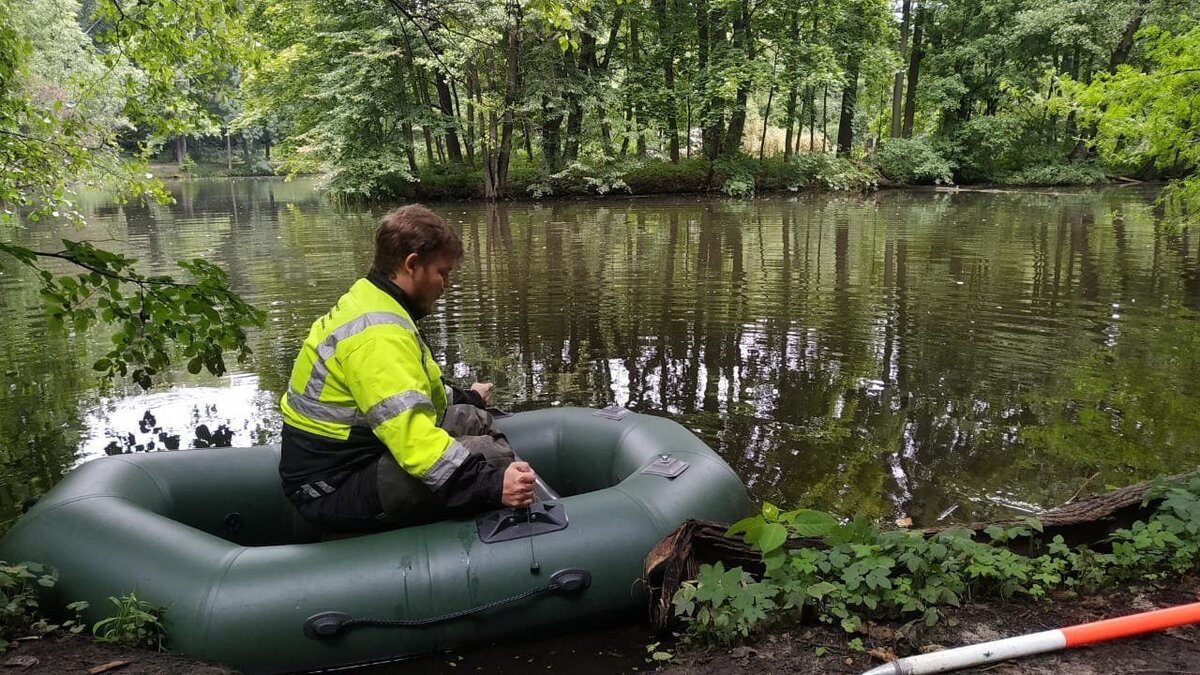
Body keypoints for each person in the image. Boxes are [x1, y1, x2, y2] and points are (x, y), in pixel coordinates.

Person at [278, 204, 536, 534]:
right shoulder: (379, 335)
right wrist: (493, 484)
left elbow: (412, 391)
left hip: (360, 452)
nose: (447, 284)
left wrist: (468, 398)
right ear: (411, 265)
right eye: (442, 273)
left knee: (476, 419)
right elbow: (413, 439)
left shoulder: (375, 299)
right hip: (332, 486)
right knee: (489, 457)